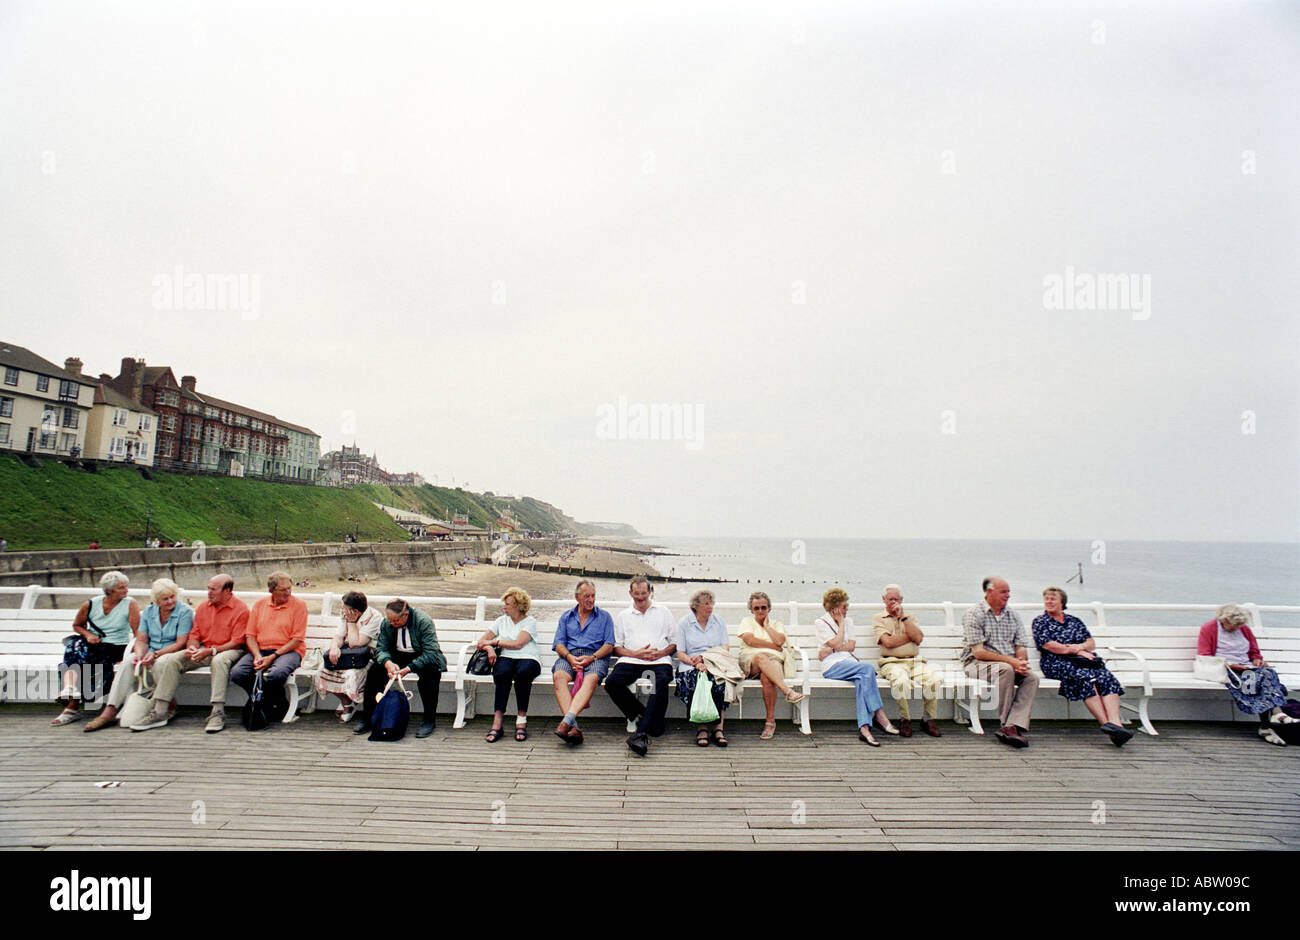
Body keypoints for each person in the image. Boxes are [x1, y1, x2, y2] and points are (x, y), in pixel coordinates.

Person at [137, 574, 250, 733]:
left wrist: (210, 651)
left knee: (219, 661)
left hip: (229, 650)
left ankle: (217, 712)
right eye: (208, 589)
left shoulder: (241, 609)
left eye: (213, 589)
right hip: (204, 649)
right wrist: (192, 647)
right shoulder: (204, 607)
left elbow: (237, 642)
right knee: (174, 659)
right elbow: (194, 635)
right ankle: (160, 710)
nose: (209, 592)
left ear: (227, 591)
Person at [85, 578, 192, 731]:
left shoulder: (184, 611)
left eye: (172, 597)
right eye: (165, 599)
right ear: (156, 600)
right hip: (151, 651)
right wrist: (140, 655)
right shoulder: (149, 611)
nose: (170, 601)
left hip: (172, 651)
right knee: (128, 661)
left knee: (162, 663)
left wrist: (155, 654)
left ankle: (166, 703)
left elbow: (181, 643)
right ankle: (110, 709)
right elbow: (141, 639)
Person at [1032, 586, 1132, 746]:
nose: (1049, 602)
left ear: (1062, 602)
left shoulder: (1074, 621)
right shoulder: (1040, 621)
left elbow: (1091, 642)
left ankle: (1115, 724)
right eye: (1046, 599)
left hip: (1081, 660)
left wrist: (1080, 649)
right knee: (1085, 678)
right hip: (1056, 662)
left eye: (1053, 598)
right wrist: (1075, 650)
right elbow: (1048, 645)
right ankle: (1107, 724)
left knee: (1105, 677)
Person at [51, 570, 140, 726]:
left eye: (126, 587)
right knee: (75, 647)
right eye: (121, 588)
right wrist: (88, 635)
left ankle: (71, 707)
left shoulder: (130, 603)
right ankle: (69, 689)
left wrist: (135, 651)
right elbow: (77, 625)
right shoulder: (91, 604)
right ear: (109, 590)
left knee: (83, 657)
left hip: (116, 647)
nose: (126, 590)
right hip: (94, 644)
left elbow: (137, 632)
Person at [1199, 603, 1296, 746]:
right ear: (1223, 620)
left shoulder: (1244, 629)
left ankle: (1271, 721)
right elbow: (1205, 655)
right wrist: (1231, 665)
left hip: (1247, 668)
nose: (1237, 628)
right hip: (1226, 668)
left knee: (1267, 673)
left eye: (1239, 625)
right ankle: (1272, 720)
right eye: (1233, 625)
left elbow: (1254, 651)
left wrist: (1257, 660)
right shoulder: (1209, 628)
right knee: (1261, 681)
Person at [961, 576, 1039, 748]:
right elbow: (979, 652)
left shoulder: (1013, 616)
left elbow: (1020, 646)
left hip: (1006, 665)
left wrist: (1021, 663)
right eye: (1004, 592)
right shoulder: (974, 614)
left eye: (1009, 591)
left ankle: (1014, 723)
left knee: (1031, 678)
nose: (1008, 595)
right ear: (990, 592)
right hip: (976, 664)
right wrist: (1012, 662)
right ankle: (1007, 724)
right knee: (1006, 669)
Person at [353, 599, 445, 739]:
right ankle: (367, 718)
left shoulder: (423, 621)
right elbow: (381, 648)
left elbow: (431, 652)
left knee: (431, 674)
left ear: (406, 615)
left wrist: (409, 668)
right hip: (397, 654)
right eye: (390, 620)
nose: (392, 623)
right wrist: (387, 662)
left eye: (395, 621)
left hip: (421, 654)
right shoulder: (387, 623)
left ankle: (429, 720)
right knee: (374, 672)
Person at [606, 576, 677, 756]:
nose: (640, 597)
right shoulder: (623, 616)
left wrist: (660, 653)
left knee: (659, 682)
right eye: (636, 594)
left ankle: (641, 733)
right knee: (612, 683)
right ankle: (645, 718)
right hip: (631, 660)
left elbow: (674, 643)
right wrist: (636, 654)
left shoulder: (663, 611)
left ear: (650, 592)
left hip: (658, 661)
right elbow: (617, 648)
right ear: (630, 593)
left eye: (643, 593)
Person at [816, 588, 896, 746]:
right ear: (835, 608)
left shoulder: (850, 621)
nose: (847, 609)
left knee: (862, 679)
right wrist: (840, 625)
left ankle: (864, 728)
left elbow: (851, 646)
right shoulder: (821, 623)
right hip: (832, 667)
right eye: (844, 607)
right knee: (866, 669)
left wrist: (830, 650)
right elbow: (838, 642)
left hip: (849, 664)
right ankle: (880, 714)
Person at [229, 571, 308, 725]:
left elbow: (297, 639)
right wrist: (257, 655)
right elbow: (250, 635)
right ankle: (277, 702)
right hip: (261, 649)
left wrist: (273, 657)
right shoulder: (260, 605)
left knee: (276, 674)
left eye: (289, 588)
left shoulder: (299, 605)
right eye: (283, 590)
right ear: (271, 591)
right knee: (238, 673)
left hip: (289, 651)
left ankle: (263, 703)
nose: (288, 593)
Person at [872, 584, 943, 737]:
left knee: (933, 680)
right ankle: (905, 719)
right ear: (884, 600)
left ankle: (928, 719)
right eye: (890, 599)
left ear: (901, 600)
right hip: (891, 662)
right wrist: (909, 637)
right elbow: (888, 643)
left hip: (915, 662)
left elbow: (918, 639)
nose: (893, 602)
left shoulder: (910, 617)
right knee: (901, 682)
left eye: (896, 599)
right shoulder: (879, 618)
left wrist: (903, 619)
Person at [551, 579, 615, 745]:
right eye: (586, 596)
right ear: (577, 597)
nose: (591, 600)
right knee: (559, 676)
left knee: (591, 678)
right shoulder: (566, 617)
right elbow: (559, 644)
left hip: (594, 657)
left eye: (593, 596)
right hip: (569, 656)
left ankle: (567, 722)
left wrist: (592, 658)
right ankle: (574, 727)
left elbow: (609, 645)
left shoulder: (604, 617)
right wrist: (569, 657)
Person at [478, 588, 542, 742]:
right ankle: (497, 721)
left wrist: (495, 642)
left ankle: (521, 720)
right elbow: (482, 641)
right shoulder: (501, 621)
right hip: (506, 656)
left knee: (523, 674)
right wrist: (489, 650)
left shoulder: (530, 622)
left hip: (528, 657)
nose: (504, 607)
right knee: (501, 673)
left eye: (507, 604)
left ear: (519, 606)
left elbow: (519, 644)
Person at [737, 591, 804, 740]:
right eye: (756, 608)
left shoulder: (776, 624)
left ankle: (770, 722)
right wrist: (772, 646)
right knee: (761, 657)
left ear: (769, 608)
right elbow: (750, 641)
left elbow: (780, 641)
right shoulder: (747, 621)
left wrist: (767, 627)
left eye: (763, 607)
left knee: (767, 678)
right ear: (751, 609)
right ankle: (788, 691)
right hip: (750, 661)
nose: (760, 611)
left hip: (773, 662)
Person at [675, 589, 731, 747]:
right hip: (690, 664)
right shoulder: (685, 623)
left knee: (719, 681)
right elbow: (680, 652)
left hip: (715, 662)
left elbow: (725, 646)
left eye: (711, 603)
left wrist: (707, 659)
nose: (710, 606)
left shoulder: (718, 621)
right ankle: (702, 728)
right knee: (697, 680)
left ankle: (719, 728)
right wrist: (696, 663)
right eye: (706, 603)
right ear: (696, 606)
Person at [316, 591, 382, 723]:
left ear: (355, 611)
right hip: (346, 653)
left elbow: (355, 643)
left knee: (351, 675)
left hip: (365, 656)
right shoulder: (345, 614)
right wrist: (334, 647)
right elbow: (339, 636)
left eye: (344, 608)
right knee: (322, 671)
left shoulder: (375, 617)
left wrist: (351, 623)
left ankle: (349, 704)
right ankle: (346, 702)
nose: (342, 610)